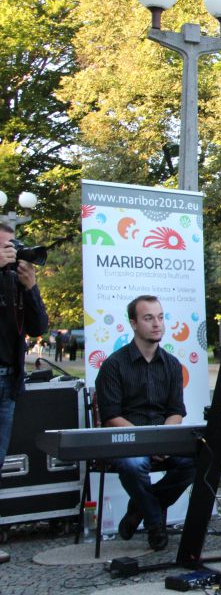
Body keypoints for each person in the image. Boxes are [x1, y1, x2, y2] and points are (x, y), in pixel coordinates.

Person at [94, 295, 194, 552]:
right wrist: (148, 443)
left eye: (160, 317)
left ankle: (139, 508)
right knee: (133, 464)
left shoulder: (172, 365)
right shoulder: (113, 365)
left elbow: (176, 412)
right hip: (127, 442)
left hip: (162, 442)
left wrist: (164, 441)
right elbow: (111, 418)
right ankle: (154, 524)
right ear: (133, 323)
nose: (157, 324)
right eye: (148, 318)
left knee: (197, 460)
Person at [0, 222, 49, 564]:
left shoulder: (14, 282)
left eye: (12, 245)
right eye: (4, 246)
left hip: (8, 381)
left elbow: (38, 328)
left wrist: (30, 289)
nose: (10, 251)